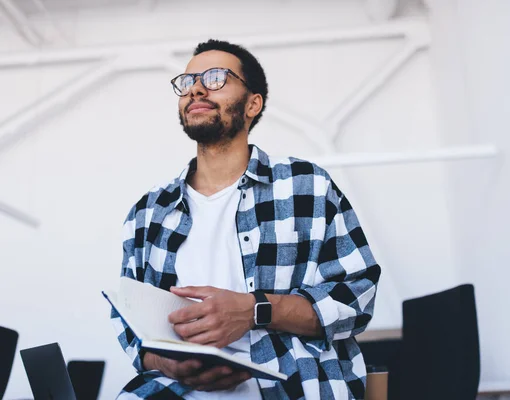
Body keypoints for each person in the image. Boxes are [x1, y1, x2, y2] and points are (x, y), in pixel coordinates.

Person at [112, 39, 381, 400]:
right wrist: (165, 362)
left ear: (253, 104)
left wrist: (255, 310)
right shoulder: (148, 213)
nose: (196, 87)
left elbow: (356, 299)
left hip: (292, 387)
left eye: (216, 77)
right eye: (188, 80)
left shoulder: (306, 187)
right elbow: (130, 318)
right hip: (177, 390)